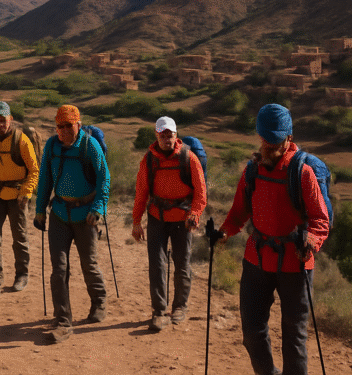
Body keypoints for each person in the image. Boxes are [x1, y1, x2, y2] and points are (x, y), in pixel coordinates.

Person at [216, 104, 330, 375]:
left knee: (294, 338)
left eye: (275, 138)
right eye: (265, 138)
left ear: (288, 138)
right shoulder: (252, 171)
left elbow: (320, 219)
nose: (269, 144)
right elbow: (238, 212)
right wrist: (223, 232)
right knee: (252, 332)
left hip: (296, 263)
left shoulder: (302, 174)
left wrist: (312, 240)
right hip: (257, 259)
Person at [33, 104, 110, 344]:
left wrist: (98, 208)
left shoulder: (90, 146)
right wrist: (39, 210)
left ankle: (99, 302)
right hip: (59, 214)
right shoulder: (51, 146)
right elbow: (45, 178)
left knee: (89, 264)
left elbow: (104, 179)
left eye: (69, 125)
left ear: (78, 124)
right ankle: (63, 320)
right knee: (59, 269)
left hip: (85, 216)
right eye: (60, 126)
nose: (64, 130)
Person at [131, 116, 207, 332]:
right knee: (157, 265)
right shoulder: (149, 160)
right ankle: (158, 311)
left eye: (170, 135)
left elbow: (201, 191)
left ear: (176, 135)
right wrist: (137, 222)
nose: (167, 139)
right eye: (163, 135)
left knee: (182, 265)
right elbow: (141, 192)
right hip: (157, 217)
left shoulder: (189, 159)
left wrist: (195, 214)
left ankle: (180, 307)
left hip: (183, 221)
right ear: (157, 135)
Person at [0, 100, 39, 300]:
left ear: (10, 119)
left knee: (19, 238)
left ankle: (22, 274)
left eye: (3, 120)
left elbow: (35, 171)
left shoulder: (22, 141)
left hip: (17, 197)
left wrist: (26, 193)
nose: (0, 125)